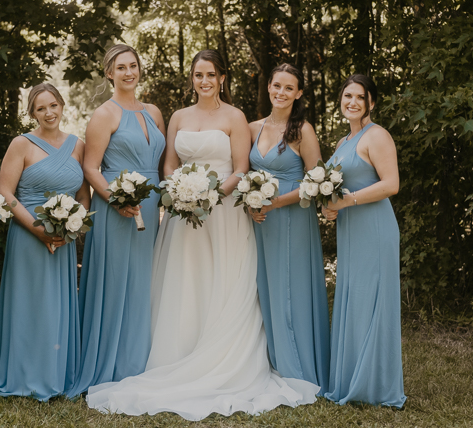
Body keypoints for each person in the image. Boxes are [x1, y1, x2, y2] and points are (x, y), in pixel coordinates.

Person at [85, 50, 319, 421]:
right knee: (183, 282)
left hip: (223, 213)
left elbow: (241, 168)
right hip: (182, 215)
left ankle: (223, 357)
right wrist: (180, 194)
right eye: (198, 75)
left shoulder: (235, 117)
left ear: (222, 78)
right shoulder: (176, 116)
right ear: (192, 78)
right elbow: (169, 164)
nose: (204, 81)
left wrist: (211, 197)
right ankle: (176, 354)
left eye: (211, 74)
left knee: (222, 282)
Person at [0, 83, 90, 400]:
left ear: (62, 105)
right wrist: (38, 228)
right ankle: (24, 375)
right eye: (41, 108)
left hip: (63, 239)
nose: (49, 113)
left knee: (57, 305)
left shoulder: (77, 145)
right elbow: (5, 192)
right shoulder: (21, 144)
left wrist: (73, 227)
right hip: (29, 235)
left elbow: (82, 194)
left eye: (53, 105)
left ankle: (55, 374)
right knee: (31, 304)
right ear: (32, 113)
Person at [69, 44, 166, 397]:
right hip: (116, 208)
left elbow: (161, 163)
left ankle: (140, 360)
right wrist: (116, 199)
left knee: (145, 282)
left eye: (134, 66)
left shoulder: (154, 112)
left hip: (152, 207)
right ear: (109, 73)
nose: (129, 72)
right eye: (121, 67)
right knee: (115, 282)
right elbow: (90, 168)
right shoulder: (104, 115)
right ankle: (109, 362)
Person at [321, 74, 406, 408]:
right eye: (347, 96)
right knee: (354, 301)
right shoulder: (345, 140)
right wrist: (331, 207)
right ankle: (350, 376)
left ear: (371, 102)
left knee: (371, 302)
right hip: (351, 229)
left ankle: (374, 385)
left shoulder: (377, 135)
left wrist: (347, 201)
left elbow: (391, 184)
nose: (352, 102)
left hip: (374, 227)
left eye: (360, 97)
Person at [248, 64, 330, 394]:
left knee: (292, 289)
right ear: (268, 87)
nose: (281, 93)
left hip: (293, 218)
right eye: (276, 85)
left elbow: (318, 180)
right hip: (261, 222)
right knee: (265, 287)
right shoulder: (252, 127)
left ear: (298, 93)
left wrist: (277, 202)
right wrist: (250, 203)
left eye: (288, 88)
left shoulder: (302, 131)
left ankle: (299, 367)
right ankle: (274, 361)